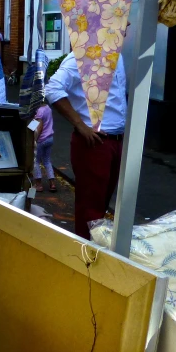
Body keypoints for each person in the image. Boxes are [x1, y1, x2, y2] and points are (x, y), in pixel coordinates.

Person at [46, 51, 127, 239]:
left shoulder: (118, 55)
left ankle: (94, 250)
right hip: (95, 143)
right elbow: (53, 89)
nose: (128, 26)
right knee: (90, 209)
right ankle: (85, 257)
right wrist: (80, 125)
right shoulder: (83, 55)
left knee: (101, 203)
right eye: (123, 21)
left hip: (115, 140)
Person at [33, 102, 57, 193]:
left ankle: (38, 184)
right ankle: (52, 183)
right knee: (47, 161)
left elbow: (39, 127)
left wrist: (34, 139)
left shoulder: (39, 111)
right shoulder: (48, 108)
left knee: (36, 161)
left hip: (41, 140)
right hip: (50, 138)